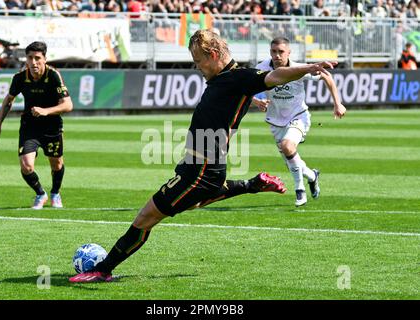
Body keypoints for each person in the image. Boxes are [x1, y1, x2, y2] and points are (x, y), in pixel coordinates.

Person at [69, 29, 337, 283]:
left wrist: (311, 67)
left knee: (146, 217)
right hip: (198, 166)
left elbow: (275, 76)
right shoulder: (224, 79)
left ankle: (103, 270)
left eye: (198, 61)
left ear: (213, 55)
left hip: (201, 169)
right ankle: (251, 184)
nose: (197, 67)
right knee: (192, 203)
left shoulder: (239, 77)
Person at [252, 37, 346, 207]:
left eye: (281, 51)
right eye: (274, 51)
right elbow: (244, 89)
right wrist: (256, 101)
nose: (277, 55)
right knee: (291, 162)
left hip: (298, 116)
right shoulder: (261, 68)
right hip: (275, 121)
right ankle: (312, 176)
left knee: (288, 146)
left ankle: (300, 190)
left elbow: (326, 76)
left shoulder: (298, 68)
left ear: (289, 52)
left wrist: (337, 103)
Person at [0, 41, 73, 209]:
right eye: (30, 58)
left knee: (56, 164)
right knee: (26, 166)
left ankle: (55, 193)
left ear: (44, 59)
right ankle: (40, 193)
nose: (34, 62)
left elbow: (68, 105)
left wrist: (45, 111)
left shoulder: (54, 76)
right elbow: (8, 100)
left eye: (37, 58)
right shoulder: (20, 77)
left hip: (52, 126)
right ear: (26, 59)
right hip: (30, 127)